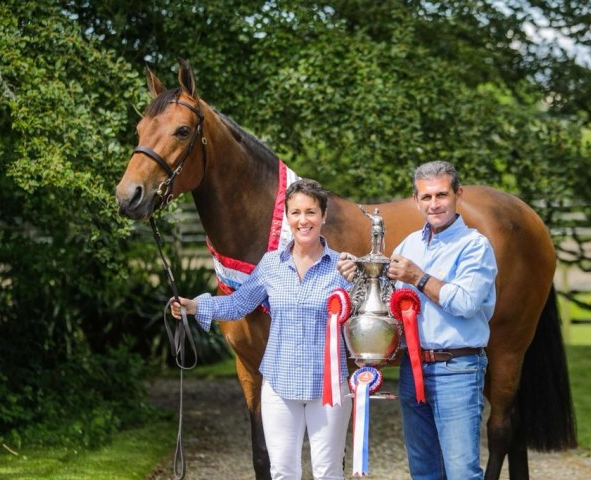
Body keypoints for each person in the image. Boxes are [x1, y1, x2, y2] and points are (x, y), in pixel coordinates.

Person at [171, 178, 353, 480]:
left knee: (329, 472)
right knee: (282, 472)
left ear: (323, 215)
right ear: (287, 217)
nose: (303, 220)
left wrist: (363, 279)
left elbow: (365, 318)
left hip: (329, 386)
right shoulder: (270, 265)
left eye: (310, 212)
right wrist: (195, 306)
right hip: (279, 385)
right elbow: (238, 305)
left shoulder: (343, 267)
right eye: (295, 213)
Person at [338, 160, 498, 480]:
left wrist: (419, 277)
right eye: (426, 197)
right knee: (423, 472)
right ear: (416, 200)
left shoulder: (474, 246)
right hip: (413, 369)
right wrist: (356, 277)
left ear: (458, 195)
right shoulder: (409, 244)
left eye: (441, 195)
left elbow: (466, 303)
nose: (434, 204)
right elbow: (387, 301)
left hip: (457, 368)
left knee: (462, 473)